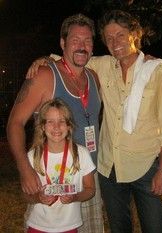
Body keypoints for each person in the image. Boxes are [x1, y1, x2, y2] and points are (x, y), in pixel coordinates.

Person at [27, 10, 162, 233]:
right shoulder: (104, 65)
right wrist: (45, 59)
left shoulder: (156, 72)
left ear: (134, 35)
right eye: (108, 38)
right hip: (109, 169)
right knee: (119, 228)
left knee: (155, 227)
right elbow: (73, 57)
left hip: (145, 167)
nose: (114, 42)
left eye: (120, 35)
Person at [7, 14, 103, 233]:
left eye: (87, 41)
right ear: (62, 43)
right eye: (75, 40)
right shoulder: (44, 75)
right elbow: (14, 123)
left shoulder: (94, 78)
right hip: (51, 177)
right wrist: (25, 170)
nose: (82, 46)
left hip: (88, 175)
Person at [24, 98, 96, 233]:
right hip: (38, 226)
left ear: (69, 126)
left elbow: (90, 189)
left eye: (62, 121)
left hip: (69, 226)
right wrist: (38, 198)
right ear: (42, 126)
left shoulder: (82, 154)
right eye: (50, 121)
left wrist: (75, 197)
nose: (56, 127)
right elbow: (26, 195)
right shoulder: (32, 156)